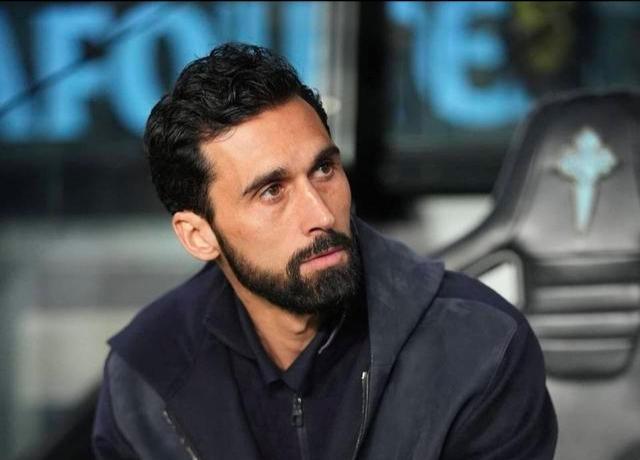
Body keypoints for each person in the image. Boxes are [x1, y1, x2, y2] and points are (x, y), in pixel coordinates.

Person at [92, 42, 557, 460]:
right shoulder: (145, 377)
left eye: (324, 170)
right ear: (199, 235)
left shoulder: (480, 346)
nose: (320, 212)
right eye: (272, 191)